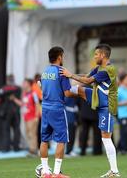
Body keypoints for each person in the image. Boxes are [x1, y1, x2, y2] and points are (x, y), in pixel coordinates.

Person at [61, 44, 120, 178]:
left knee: (106, 138)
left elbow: (87, 80)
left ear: (103, 55)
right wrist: (70, 78)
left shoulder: (108, 70)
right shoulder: (98, 68)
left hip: (106, 107)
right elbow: (85, 76)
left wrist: (71, 75)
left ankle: (115, 171)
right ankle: (61, 91)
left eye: (96, 54)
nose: (94, 57)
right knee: (77, 90)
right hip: (98, 100)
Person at [40, 46, 77, 178]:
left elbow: (42, 88)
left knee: (44, 140)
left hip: (45, 108)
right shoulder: (61, 72)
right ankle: (56, 173)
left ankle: (45, 172)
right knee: (61, 140)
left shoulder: (44, 72)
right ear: (60, 57)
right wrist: (79, 93)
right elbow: (67, 93)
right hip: (57, 109)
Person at [11, 79, 40, 156]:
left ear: (29, 84)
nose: (23, 84)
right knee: (28, 133)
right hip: (26, 117)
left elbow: (37, 104)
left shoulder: (34, 93)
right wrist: (14, 99)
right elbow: (22, 104)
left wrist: (37, 116)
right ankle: (31, 149)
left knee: (32, 134)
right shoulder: (24, 94)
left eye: (25, 83)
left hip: (32, 116)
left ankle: (34, 150)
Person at [0, 75, 21, 152]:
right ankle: (15, 147)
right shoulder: (18, 88)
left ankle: (8, 148)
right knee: (15, 130)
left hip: (8, 112)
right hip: (14, 111)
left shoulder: (4, 89)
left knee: (8, 130)